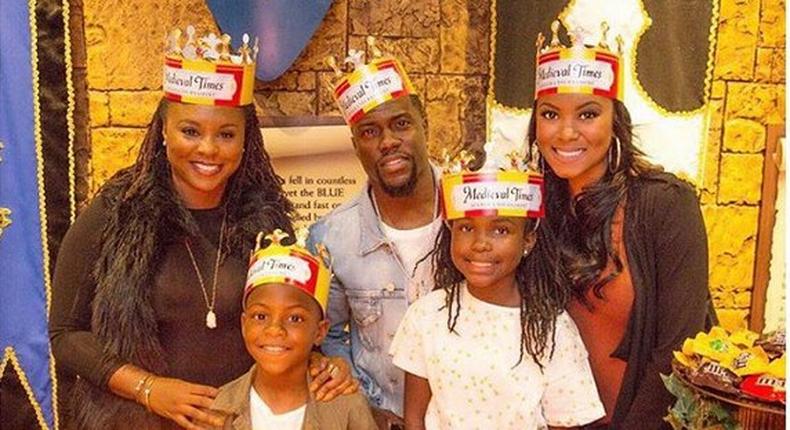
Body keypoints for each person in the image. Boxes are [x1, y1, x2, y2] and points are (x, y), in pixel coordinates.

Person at [50, 26, 355, 430]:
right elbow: (65, 335)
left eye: (226, 134)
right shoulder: (116, 212)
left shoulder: (266, 220)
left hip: (238, 421)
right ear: (163, 131)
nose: (208, 149)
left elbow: (284, 324)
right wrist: (149, 388)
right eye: (190, 131)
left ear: (247, 139)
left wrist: (322, 365)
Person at [526, 21, 715, 428]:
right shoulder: (530, 212)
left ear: (616, 122)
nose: (566, 131)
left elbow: (679, 350)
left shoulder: (666, 204)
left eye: (588, 114)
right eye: (550, 114)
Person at [390, 145, 605, 429]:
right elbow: (415, 419)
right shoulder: (426, 315)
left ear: (528, 240)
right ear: (450, 232)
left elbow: (564, 423)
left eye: (501, 230)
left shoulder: (552, 328)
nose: (480, 244)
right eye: (466, 228)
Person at [307, 38, 441, 428]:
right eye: (369, 132)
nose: (388, 143)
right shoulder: (331, 237)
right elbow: (326, 335)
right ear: (355, 146)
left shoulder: (472, 216)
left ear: (423, 125)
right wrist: (358, 398)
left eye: (401, 124)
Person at [210, 229, 377, 429]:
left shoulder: (347, 407)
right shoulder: (219, 410)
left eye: (295, 318)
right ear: (244, 324)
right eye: (261, 316)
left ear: (320, 331)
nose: (275, 330)